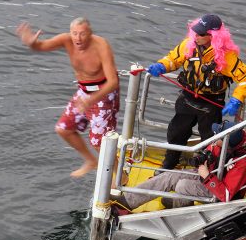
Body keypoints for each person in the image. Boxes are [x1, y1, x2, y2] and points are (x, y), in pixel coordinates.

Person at [16, 17, 123, 180]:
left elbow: (113, 82)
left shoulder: (101, 45)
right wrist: (31, 43)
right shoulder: (66, 40)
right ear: (70, 32)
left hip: (104, 93)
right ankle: (90, 161)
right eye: (75, 34)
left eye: (82, 34)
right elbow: (41, 46)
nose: (78, 38)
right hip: (84, 92)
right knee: (63, 129)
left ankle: (121, 176)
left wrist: (92, 99)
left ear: (90, 33)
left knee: (99, 142)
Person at [148, 14, 246, 171]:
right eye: (196, 32)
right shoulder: (189, 44)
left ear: (213, 36)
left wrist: (236, 99)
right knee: (176, 132)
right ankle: (169, 164)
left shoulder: (227, 56)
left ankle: (204, 169)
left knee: (209, 140)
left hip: (211, 104)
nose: (196, 36)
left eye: (201, 34)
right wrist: (161, 66)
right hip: (187, 98)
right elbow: (173, 59)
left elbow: (244, 79)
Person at [112, 121, 246, 210]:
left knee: (183, 186)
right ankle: (127, 202)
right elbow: (211, 151)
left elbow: (227, 195)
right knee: (170, 176)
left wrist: (207, 177)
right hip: (208, 174)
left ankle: (178, 211)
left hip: (218, 191)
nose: (214, 136)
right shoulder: (227, 142)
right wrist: (202, 157)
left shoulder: (241, 161)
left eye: (218, 136)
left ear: (226, 143)